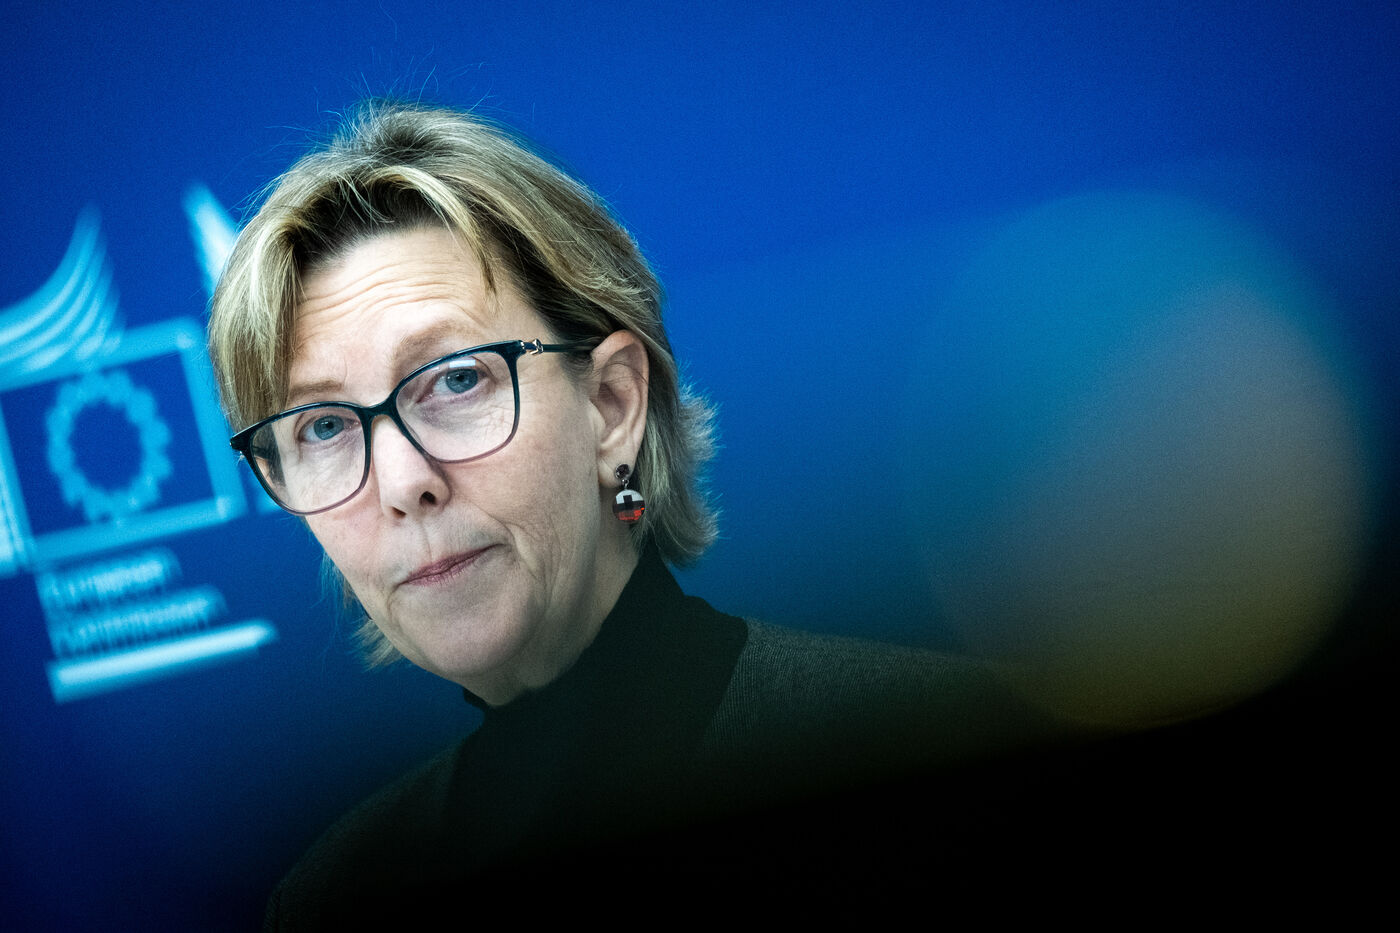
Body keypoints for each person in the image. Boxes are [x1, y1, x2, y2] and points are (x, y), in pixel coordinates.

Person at [208, 103, 1052, 925]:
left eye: (458, 380)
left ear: (611, 404)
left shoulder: (940, 740)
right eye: (322, 427)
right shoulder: (332, 896)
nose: (401, 482)